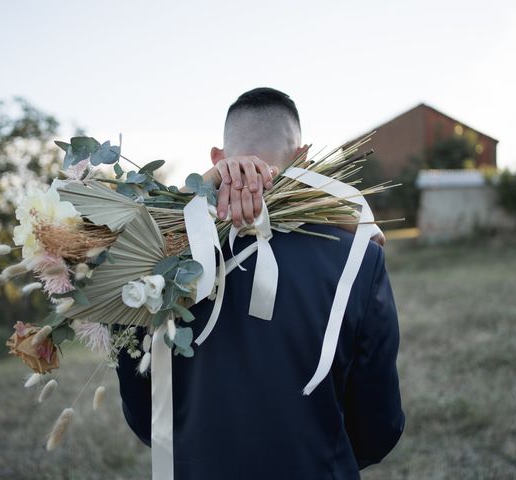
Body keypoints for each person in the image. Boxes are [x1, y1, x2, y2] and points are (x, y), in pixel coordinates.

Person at [115, 87, 404, 479]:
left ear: (217, 160)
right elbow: (378, 424)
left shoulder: (146, 263)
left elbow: (144, 409)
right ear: (303, 158)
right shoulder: (360, 258)